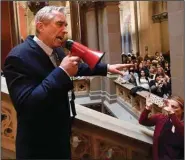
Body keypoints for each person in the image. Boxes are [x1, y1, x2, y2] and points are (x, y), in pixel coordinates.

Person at [3, 6, 133, 159]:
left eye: (65, 25)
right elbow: (27, 105)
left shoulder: (56, 50)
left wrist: (107, 68)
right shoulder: (18, 57)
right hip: (37, 145)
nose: (65, 30)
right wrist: (62, 72)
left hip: (60, 137)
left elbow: (77, 67)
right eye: (59, 24)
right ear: (41, 26)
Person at [139, 95, 184, 160]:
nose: (171, 109)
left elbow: (181, 129)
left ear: (182, 110)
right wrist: (147, 108)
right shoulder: (161, 118)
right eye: (169, 106)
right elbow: (143, 121)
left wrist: (172, 114)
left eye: (174, 107)